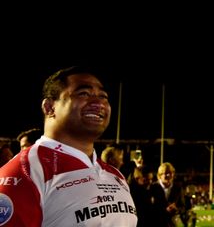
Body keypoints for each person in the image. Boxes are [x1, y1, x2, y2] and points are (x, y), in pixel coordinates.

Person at [0, 65, 137, 226]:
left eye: (103, 96)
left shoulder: (115, 174)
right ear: (49, 107)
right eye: (83, 93)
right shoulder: (25, 172)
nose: (98, 103)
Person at [147, 162, 189, 227]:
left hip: (172, 224)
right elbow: (149, 209)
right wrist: (165, 210)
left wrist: (177, 209)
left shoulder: (178, 187)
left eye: (171, 173)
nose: (168, 175)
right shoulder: (152, 187)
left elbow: (183, 206)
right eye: (166, 173)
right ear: (159, 175)